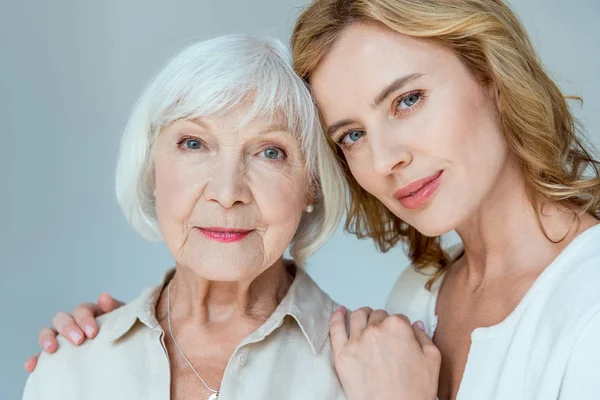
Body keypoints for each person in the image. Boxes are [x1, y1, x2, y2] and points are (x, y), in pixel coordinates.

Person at [26, 0, 600, 398]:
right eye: (351, 134)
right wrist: (101, 353)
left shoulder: (588, 303)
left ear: (491, 76)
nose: (384, 159)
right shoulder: (418, 300)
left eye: (407, 100)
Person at [22, 34, 440, 400]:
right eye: (193, 144)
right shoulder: (70, 369)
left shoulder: (385, 373)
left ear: (312, 183)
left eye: (270, 152)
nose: (227, 193)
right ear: (152, 169)